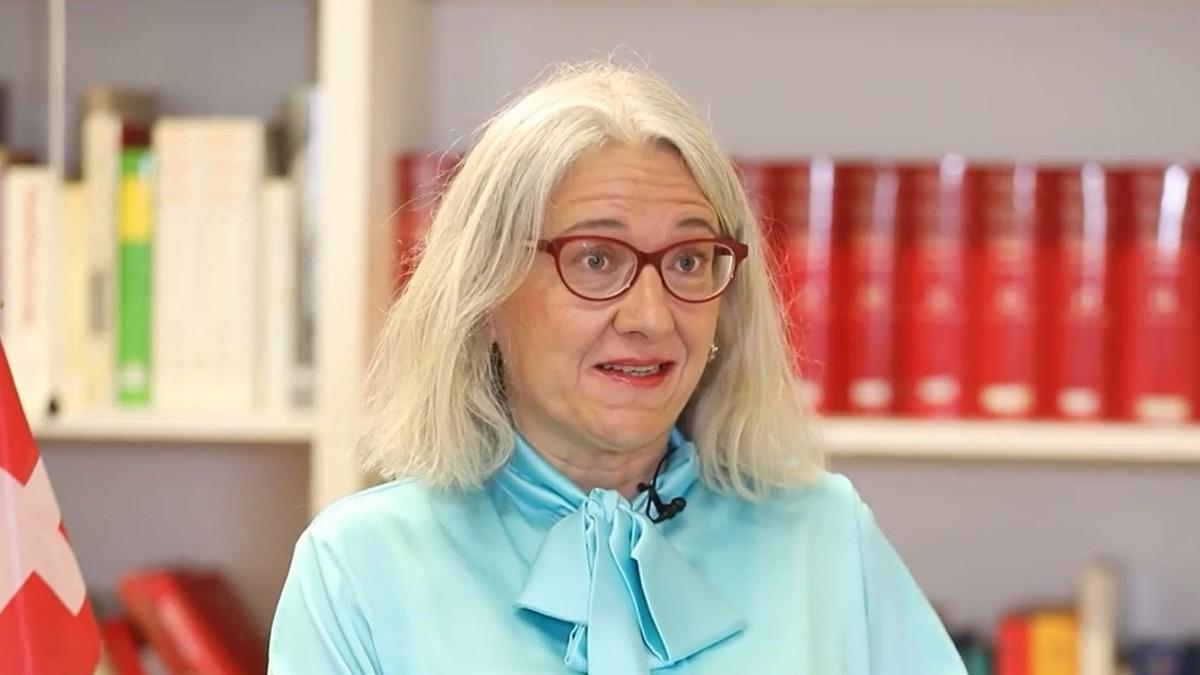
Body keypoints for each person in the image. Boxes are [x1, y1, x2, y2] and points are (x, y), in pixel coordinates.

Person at [268, 62, 966, 675]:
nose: (652, 317)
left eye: (688, 261)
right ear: (487, 293)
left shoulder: (827, 535)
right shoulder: (359, 565)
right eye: (596, 259)